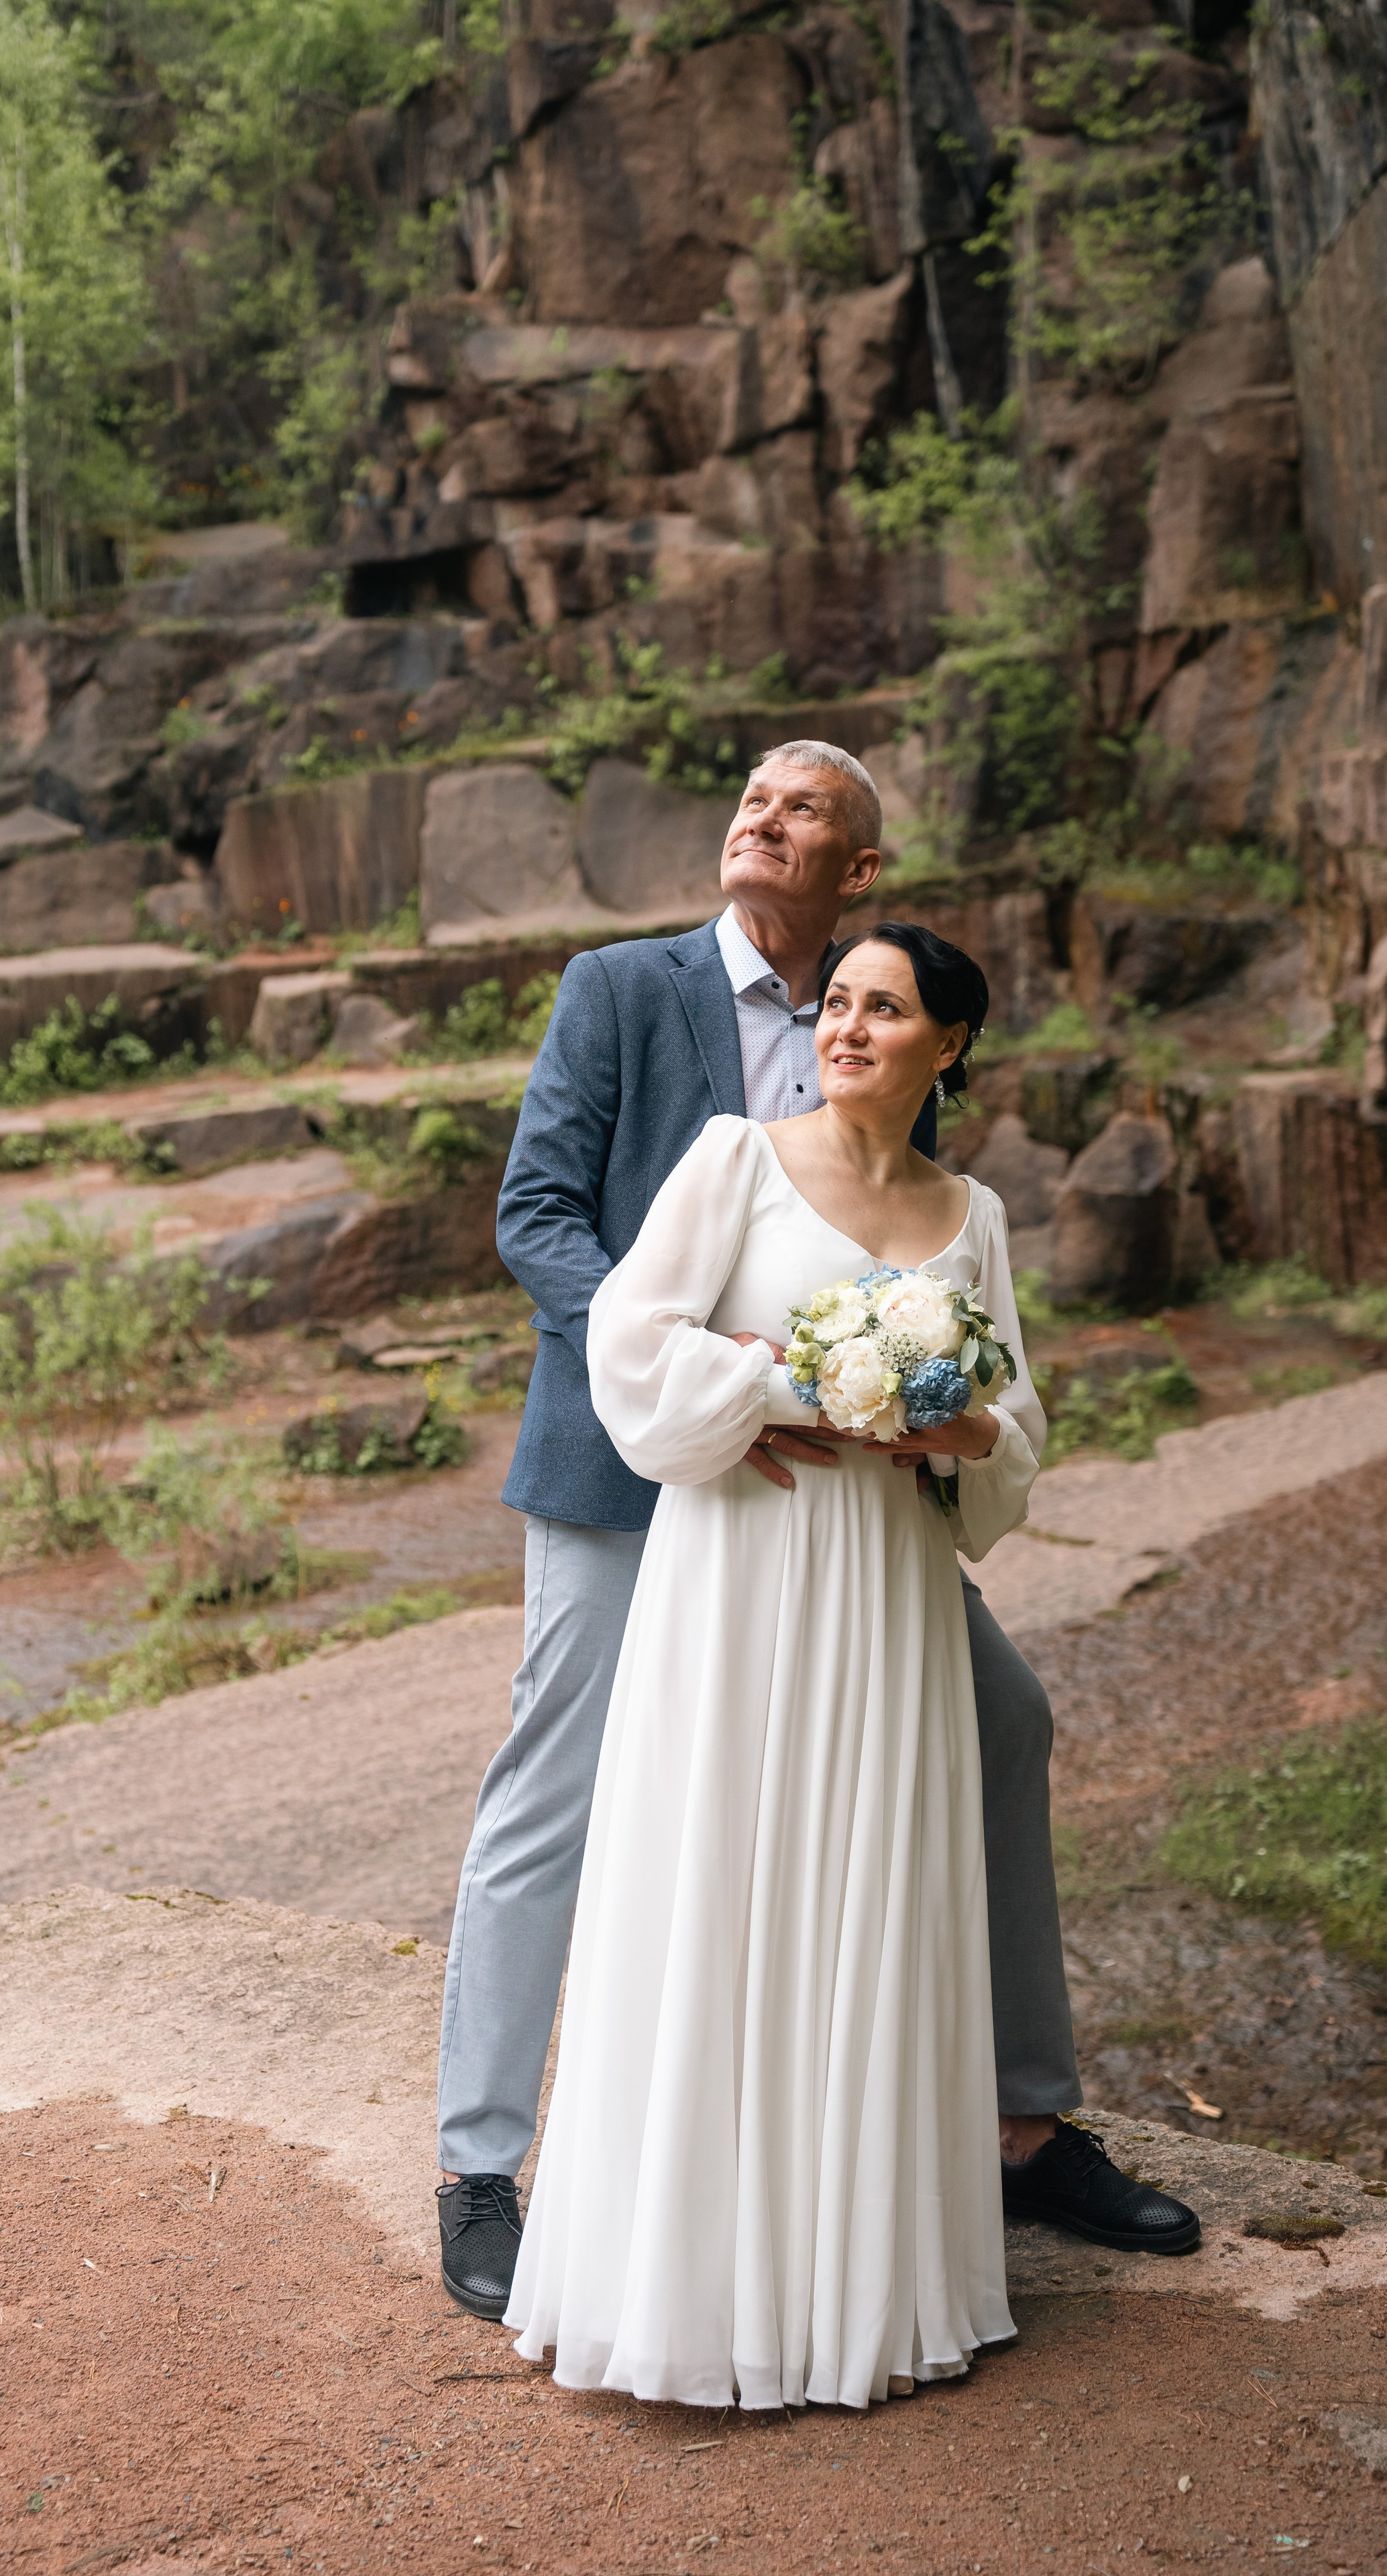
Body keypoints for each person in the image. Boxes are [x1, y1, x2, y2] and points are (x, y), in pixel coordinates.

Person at [435, 743, 1199, 2324]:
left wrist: (896, 1398)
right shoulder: (621, 989)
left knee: (999, 1720)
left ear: (857, 869)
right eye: (749, 799)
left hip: (846, 1499)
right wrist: (724, 1383)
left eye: (800, 810)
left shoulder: (877, 1003)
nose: (757, 819)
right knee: (558, 1786)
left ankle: (1016, 2126)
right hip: (632, 1457)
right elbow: (537, 1216)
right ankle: (483, 2166)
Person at [510, 923, 1025, 2403]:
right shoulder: (734, 1158)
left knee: (868, 1884)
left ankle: (857, 2290)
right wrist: (783, 1385)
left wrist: (957, 1428)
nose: (846, 1027)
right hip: (741, 1567)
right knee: (725, 1879)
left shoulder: (973, 1216)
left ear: (946, 1047)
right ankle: (696, 2289)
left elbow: (1013, 1422)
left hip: (888, 1589)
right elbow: (632, 1340)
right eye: (838, 1003)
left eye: (886, 1009)